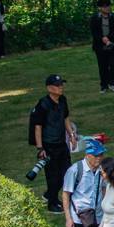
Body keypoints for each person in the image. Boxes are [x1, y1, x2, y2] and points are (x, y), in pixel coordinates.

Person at [31, 74, 76, 212]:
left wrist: (71, 135)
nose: (61, 87)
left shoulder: (62, 100)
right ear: (49, 88)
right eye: (57, 85)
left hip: (61, 143)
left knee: (67, 172)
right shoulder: (43, 105)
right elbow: (37, 127)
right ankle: (52, 203)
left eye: (61, 84)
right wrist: (40, 148)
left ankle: (49, 195)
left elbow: (65, 118)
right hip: (49, 145)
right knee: (53, 176)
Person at [90, 0, 114, 93]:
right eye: (105, 6)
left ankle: (113, 84)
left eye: (108, 6)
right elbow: (94, 31)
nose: (107, 8)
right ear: (100, 8)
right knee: (103, 65)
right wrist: (102, 39)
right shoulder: (94, 18)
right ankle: (104, 86)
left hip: (113, 43)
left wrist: (108, 38)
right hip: (100, 45)